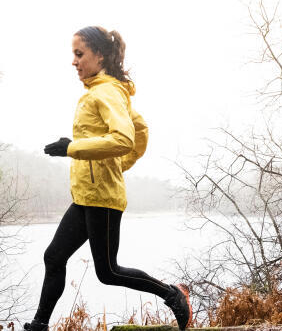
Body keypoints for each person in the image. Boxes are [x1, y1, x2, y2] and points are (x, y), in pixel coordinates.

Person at [23, 26, 192, 331]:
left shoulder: (107, 92)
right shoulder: (101, 91)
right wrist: (115, 164)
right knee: (54, 256)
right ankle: (39, 325)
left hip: (102, 197)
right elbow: (140, 130)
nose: (74, 62)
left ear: (99, 55)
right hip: (86, 195)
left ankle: (173, 295)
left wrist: (73, 148)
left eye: (79, 54)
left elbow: (125, 138)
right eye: (73, 55)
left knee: (108, 271)